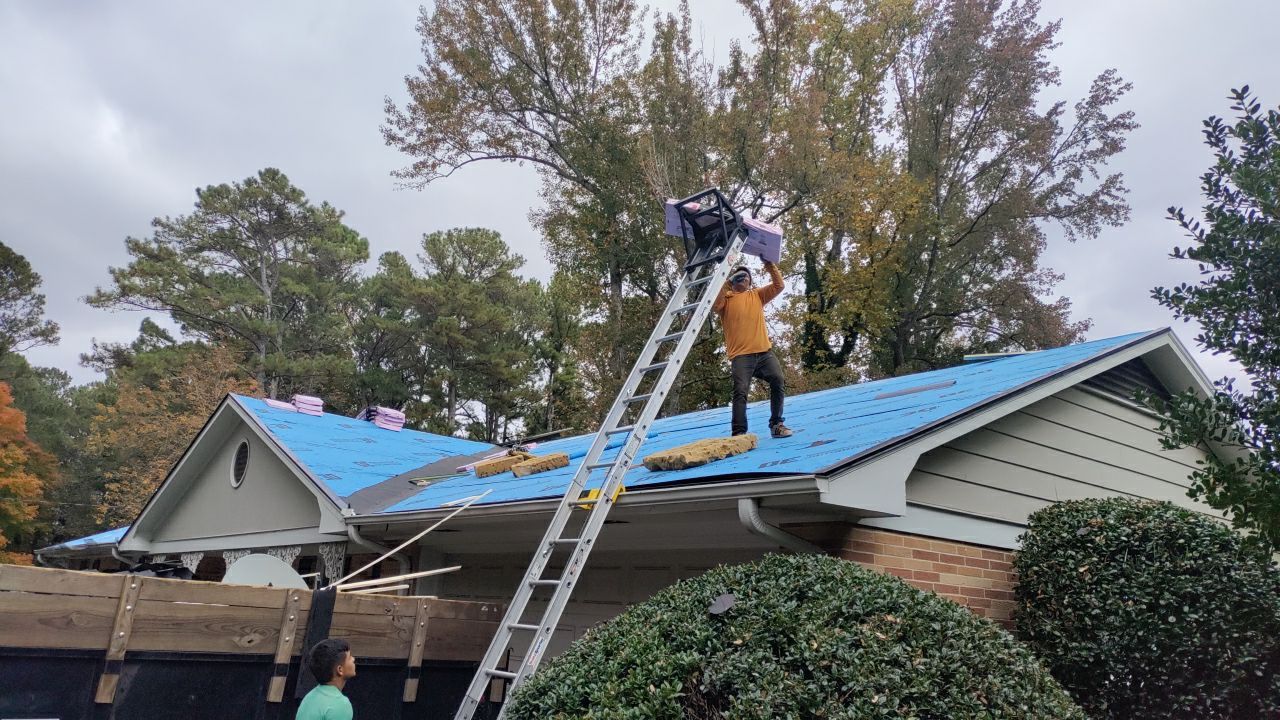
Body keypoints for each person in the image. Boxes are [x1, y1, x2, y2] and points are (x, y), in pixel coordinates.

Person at [712, 260, 793, 438]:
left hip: (764, 353)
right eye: (739, 276)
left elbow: (779, 285)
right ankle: (739, 434)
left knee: (778, 380)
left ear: (750, 282)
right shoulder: (726, 300)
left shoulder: (756, 295)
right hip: (741, 356)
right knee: (740, 390)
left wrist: (769, 264)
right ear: (732, 282)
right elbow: (714, 305)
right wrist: (726, 282)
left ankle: (777, 425)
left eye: (746, 276)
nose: (743, 278)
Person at [297, 638, 357, 720]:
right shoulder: (341, 704)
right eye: (350, 657)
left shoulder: (310, 696)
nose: (353, 659)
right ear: (340, 670)